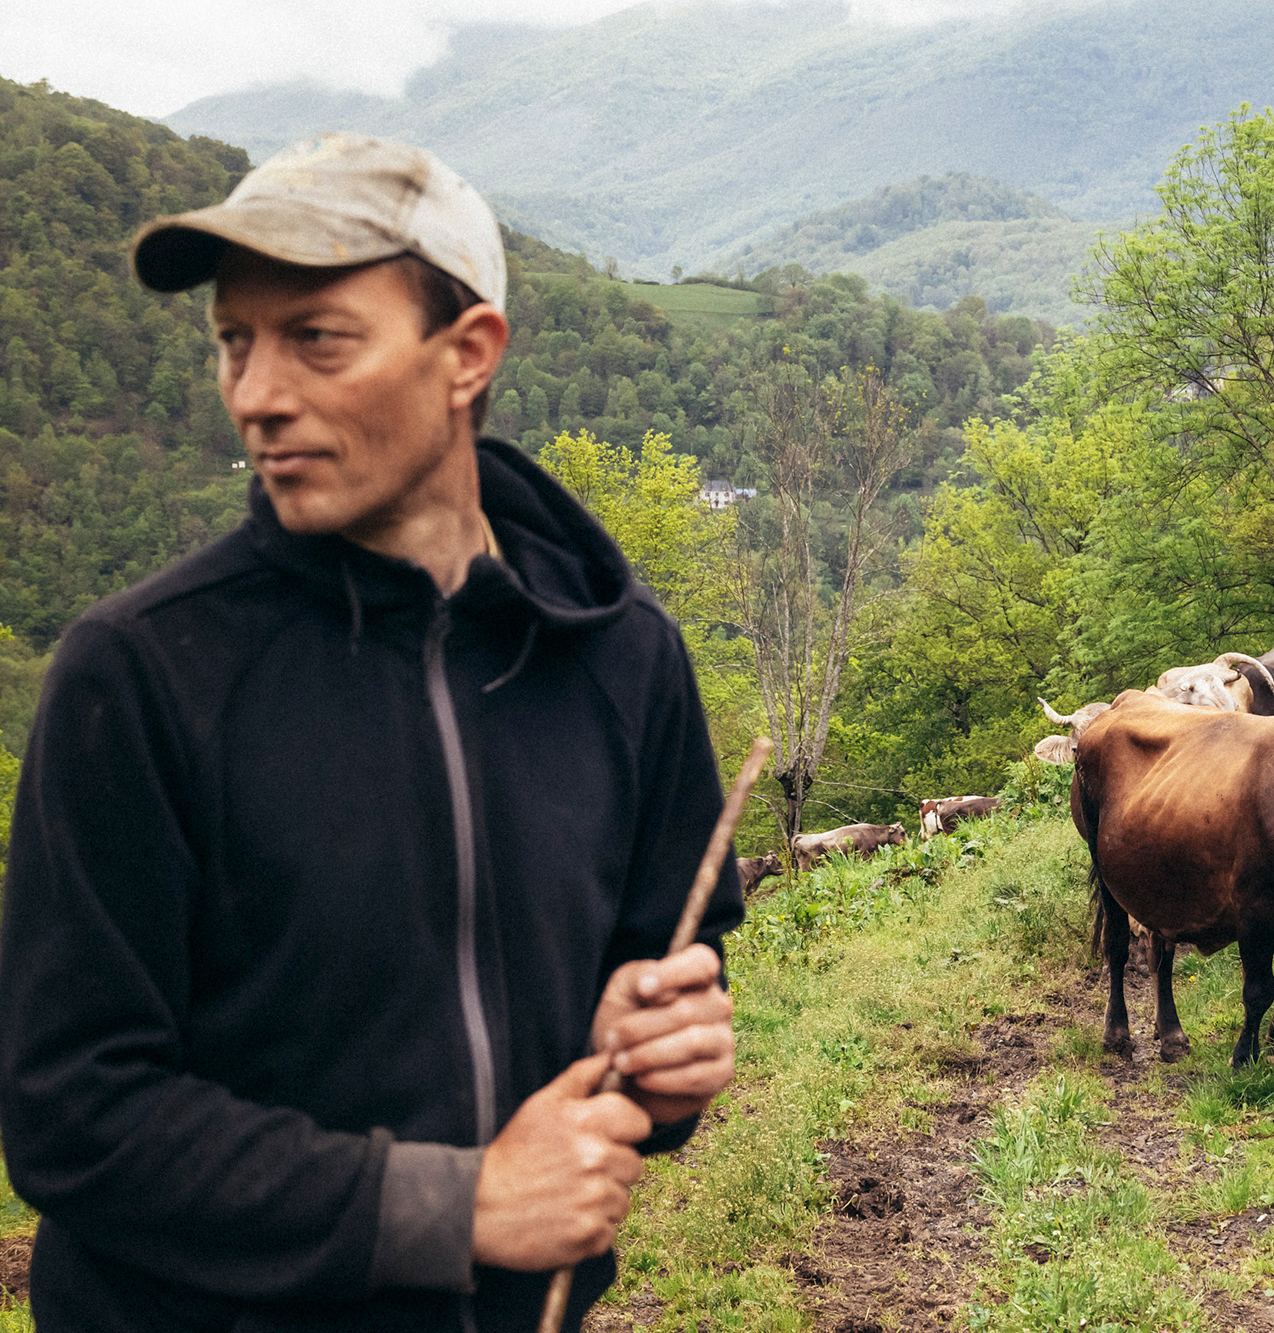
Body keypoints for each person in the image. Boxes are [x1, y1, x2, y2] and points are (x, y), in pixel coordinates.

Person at [0, 133, 744, 1332]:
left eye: (316, 340)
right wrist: (453, 1208)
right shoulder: (141, 675)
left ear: (468, 355)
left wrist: (656, 1064)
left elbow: (664, 992)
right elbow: (69, 1111)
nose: (256, 394)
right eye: (234, 342)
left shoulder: (621, 659)